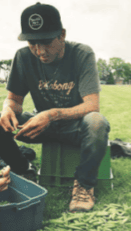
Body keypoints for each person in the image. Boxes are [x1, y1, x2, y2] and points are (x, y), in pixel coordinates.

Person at [0, 2, 110, 212]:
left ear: (62, 34)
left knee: (97, 121)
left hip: (74, 127)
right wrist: (7, 109)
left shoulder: (82, 54)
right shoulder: (23, 57)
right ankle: (23, 169)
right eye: (32, 43)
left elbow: (92, 105)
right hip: (41, 126)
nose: (40, 51)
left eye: (46, 42)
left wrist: (51, 115)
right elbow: (14, 100)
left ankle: (84, 185)